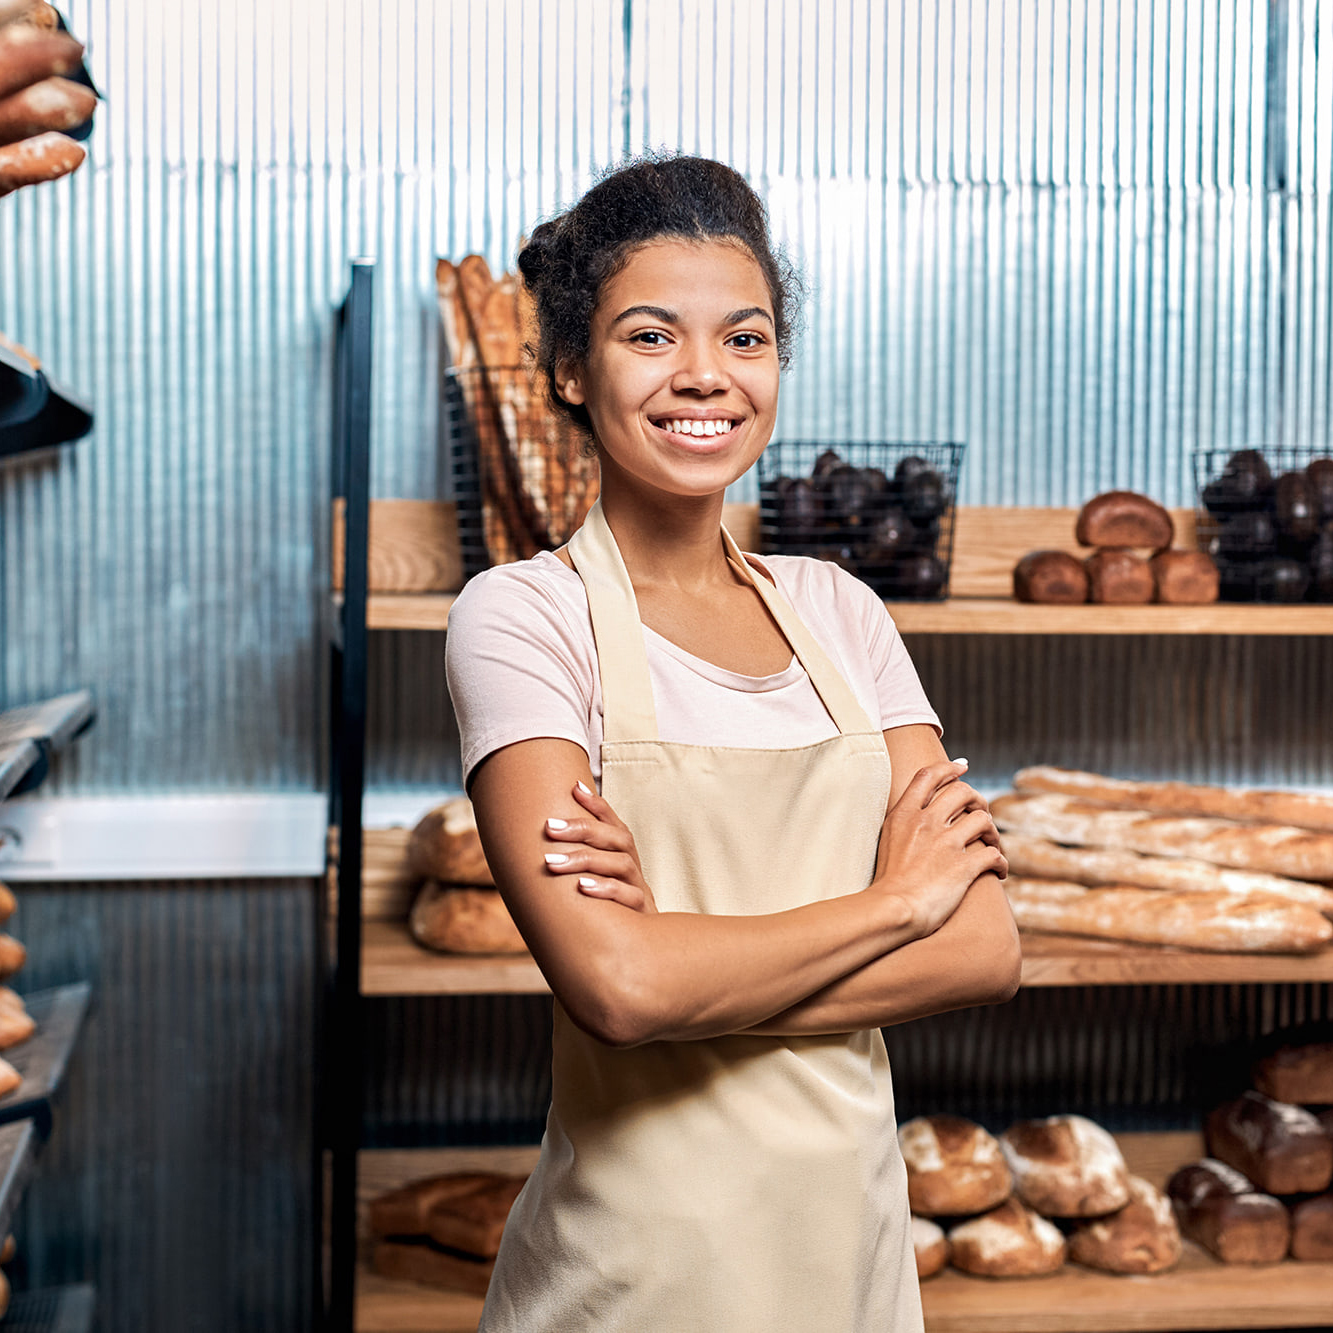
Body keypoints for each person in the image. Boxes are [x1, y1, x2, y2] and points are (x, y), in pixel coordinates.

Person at [445, 153, 1021, 1332]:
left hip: (851, 1275)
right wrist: (894, 903)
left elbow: (984, 948)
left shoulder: (840, 613)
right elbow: (615, 985)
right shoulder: (521, 616)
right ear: (569, 368)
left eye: (745, 338)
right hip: (630, 1284)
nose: (704, 375)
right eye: (650, 336)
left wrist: (687, 967)